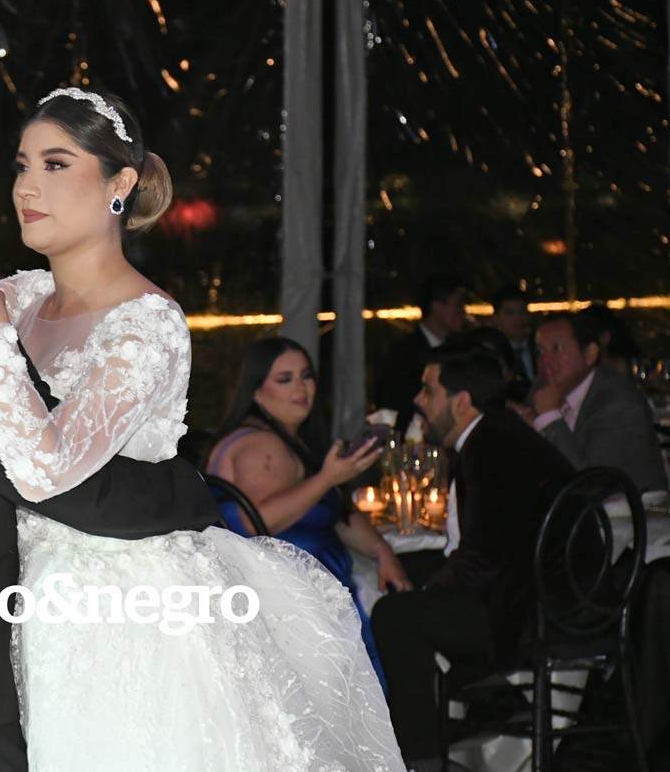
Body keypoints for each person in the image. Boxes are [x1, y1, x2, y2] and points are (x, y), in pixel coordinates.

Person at [0, 92, 401, 771]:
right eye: (22, 165)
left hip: (124, 607)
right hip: (23, 604)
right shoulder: (18, 297)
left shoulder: (147, 321)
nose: (27, 186)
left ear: (120, 183)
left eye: (56, 164)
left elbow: (46, 470)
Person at [372, 342, 574, 769]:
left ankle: (423, 758)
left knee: (395, 615)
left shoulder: (490, 449)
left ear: (461, 401)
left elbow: (484, 558)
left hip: (534, 615)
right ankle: (488, 702)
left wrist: (427, 592)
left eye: (429, 390)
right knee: (408, 579)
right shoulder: (498, 433)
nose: (417, 400)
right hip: (541, 594)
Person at [205, 336, 408, 690]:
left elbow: (330, 510)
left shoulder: (280, 439)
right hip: (293, 606)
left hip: (301, 594)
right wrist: (328, 477)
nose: (301, 388)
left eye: (306, 376)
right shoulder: (262, 446)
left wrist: (381, 550)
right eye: (285, 379)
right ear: (256, 391)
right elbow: (259, 521)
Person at [531, 312, 667, 492]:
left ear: (590, 353)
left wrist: (549, 417)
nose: (545, 361)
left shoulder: (619, 403)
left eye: (556, 348)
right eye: (540, 351)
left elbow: (591, 484)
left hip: (628, 507)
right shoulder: (541, 388)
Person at [374, 275, 468, 432]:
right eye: (457, 305)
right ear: (437, 307)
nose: (463, 312)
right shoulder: (403, 355)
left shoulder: (460, 350)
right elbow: (392, 408)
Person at [490, 284, 535, 381]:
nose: (518, 318)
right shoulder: (490, 355)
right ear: (496, 319)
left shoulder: (541, 350)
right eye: (510, 313)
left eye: (523, 311)